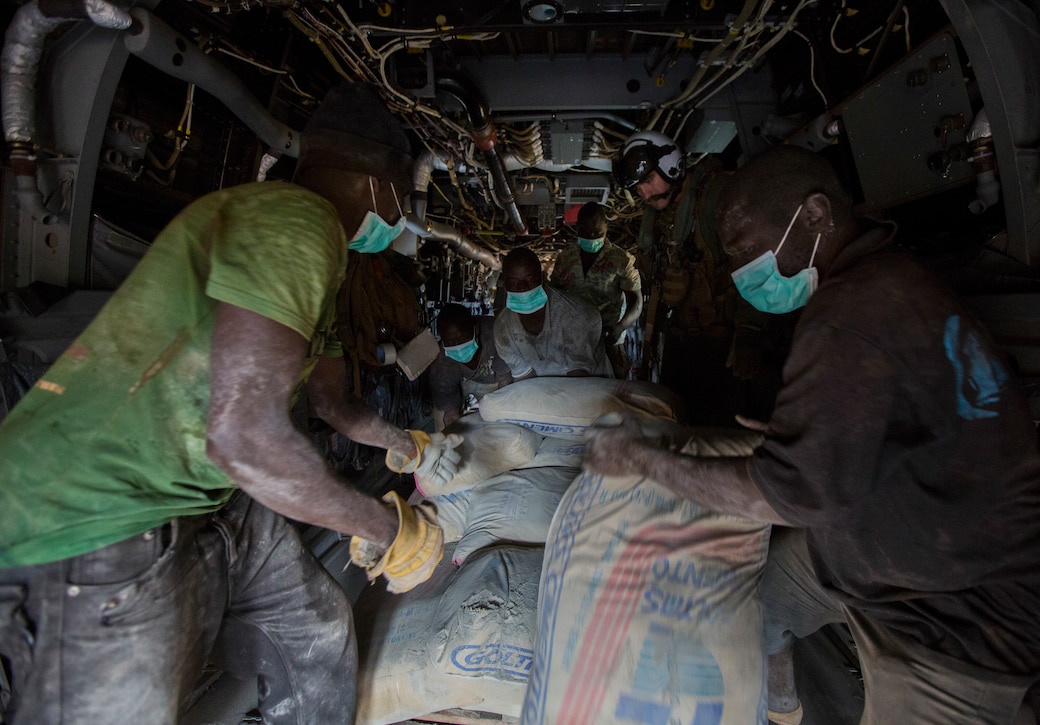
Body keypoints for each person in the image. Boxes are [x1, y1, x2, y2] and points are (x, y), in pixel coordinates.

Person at [0, 83, 462, 725]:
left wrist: (403, 444)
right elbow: (246, 437)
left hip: (207, 492)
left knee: (317, 629)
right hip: (99, 507)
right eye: (400, 200)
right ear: (379, 186)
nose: (398, 219)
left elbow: (332, 403)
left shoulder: (320, 262)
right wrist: (381, 526)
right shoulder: (295, 225)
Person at [584, 145, 1040, 725]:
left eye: (743, 248)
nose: (740, 269)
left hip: (954, 619)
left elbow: (787, 493)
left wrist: (642, 459)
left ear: (815, 217)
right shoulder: (890, 284)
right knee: (767, 601)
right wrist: (812, 434)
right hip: (889, 553)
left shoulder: (850, 314)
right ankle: (782, 711)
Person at [614, 130, 792, 424]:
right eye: (638, 189)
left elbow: (758, 262)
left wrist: (750, 331)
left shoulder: (717, 198)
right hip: (683, 342)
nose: (645, 194)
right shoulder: (660, 216)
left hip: (726, 345)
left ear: (670, 165)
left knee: (722, 428)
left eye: (647, 181)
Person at [550, 201, 643, 379]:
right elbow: (555, 295)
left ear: (607, 227)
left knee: (611, 394)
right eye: (586, 233)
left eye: (597, 233)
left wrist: (620, 327)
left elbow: (636, 302)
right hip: (572, 340)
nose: (592, 238)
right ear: (577, 229)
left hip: (609, 340)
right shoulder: (565, 258)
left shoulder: (621, 260)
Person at [493, 246, 611, 380]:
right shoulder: (503, 329)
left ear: (542, 278)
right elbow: (525, 380)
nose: (523, 288)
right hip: (543, 393)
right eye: (513, 282)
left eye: (530, 279)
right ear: (504, 284)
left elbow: (579, 379)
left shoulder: (577, 315)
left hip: (590, 389)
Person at [429, 302, 513, 430]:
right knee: (442, 425)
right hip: (462, 381)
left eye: (463, 339)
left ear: (476, 330)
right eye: (451, 342)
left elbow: (506, 381)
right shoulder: (442, 363)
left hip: (497, 380)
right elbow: (450, 414)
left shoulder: (496, 334)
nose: (458, 347)